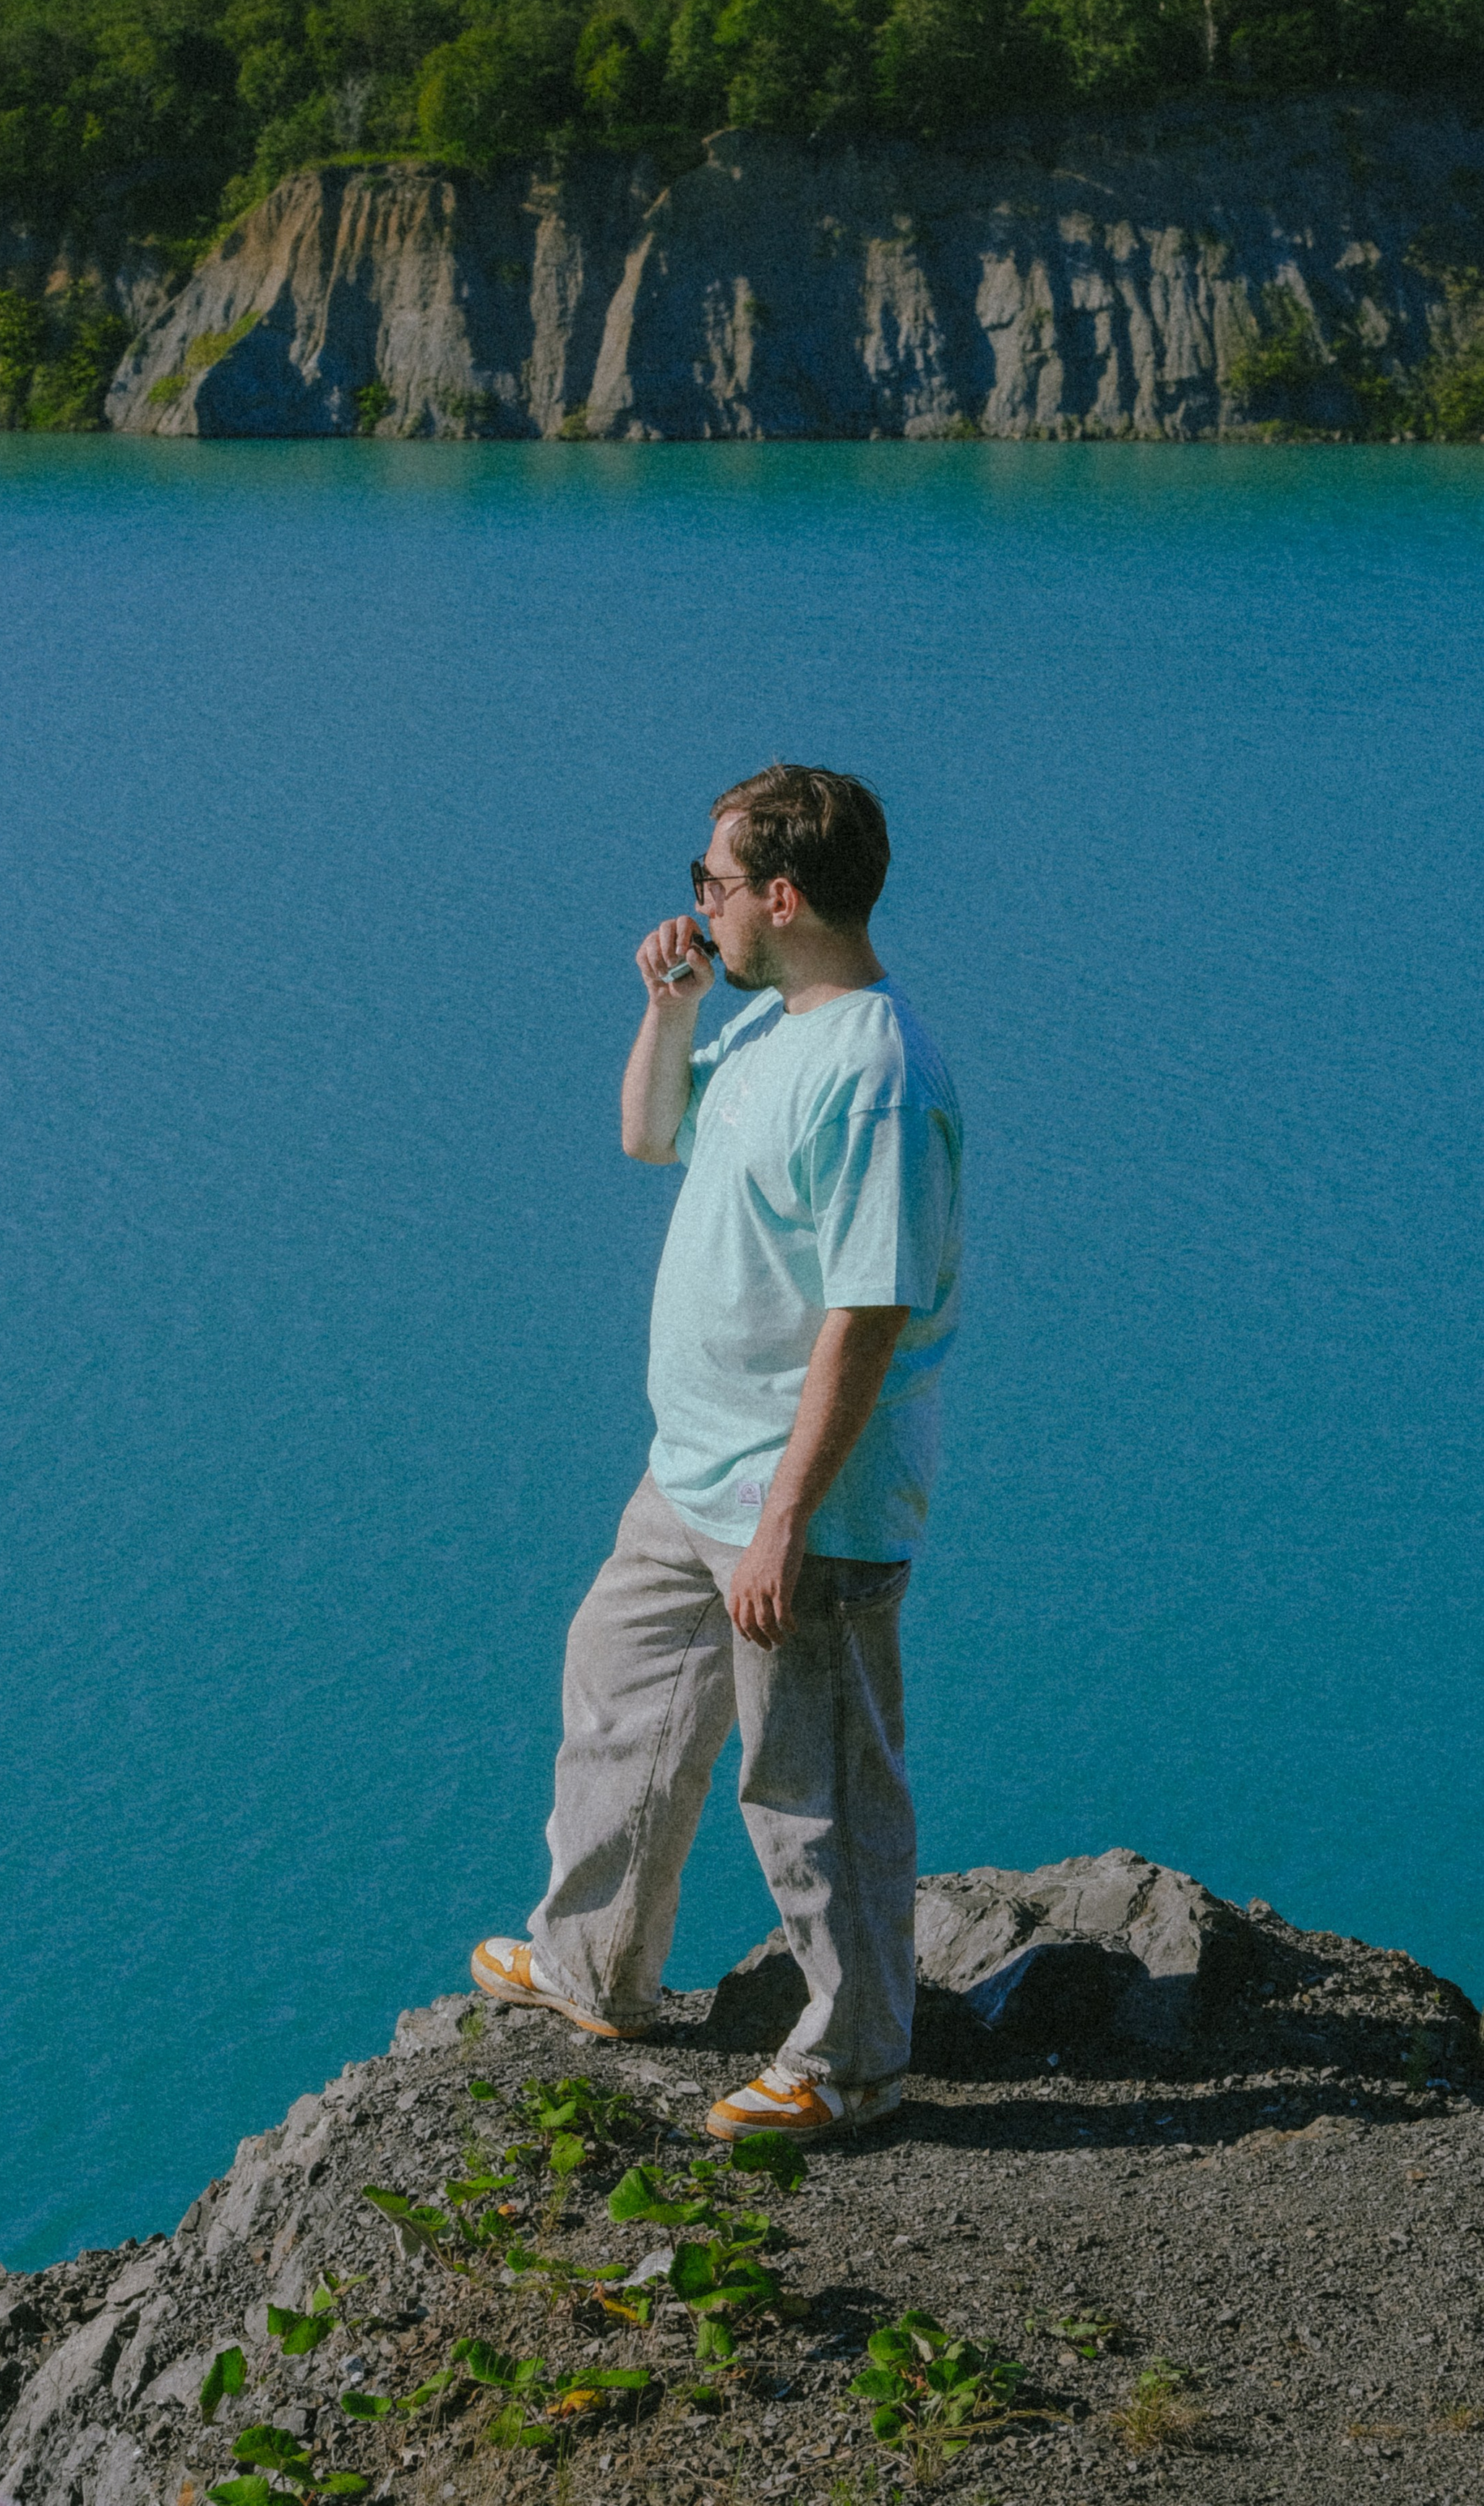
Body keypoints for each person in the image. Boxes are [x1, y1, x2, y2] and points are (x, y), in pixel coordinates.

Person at [472, 763, 963, 2142]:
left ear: (783, 897)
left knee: (813, 1784)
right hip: (692, 1471)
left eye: (716, 882)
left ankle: (854, 2062)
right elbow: (648, 1136)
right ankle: (594, 1968)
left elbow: (870, 1314)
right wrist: (671, 1006)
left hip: (801, 1503)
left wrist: (787, 1520)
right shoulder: (765, 1024)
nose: (699, 902)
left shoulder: (877, 1076)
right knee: (619, 1695)